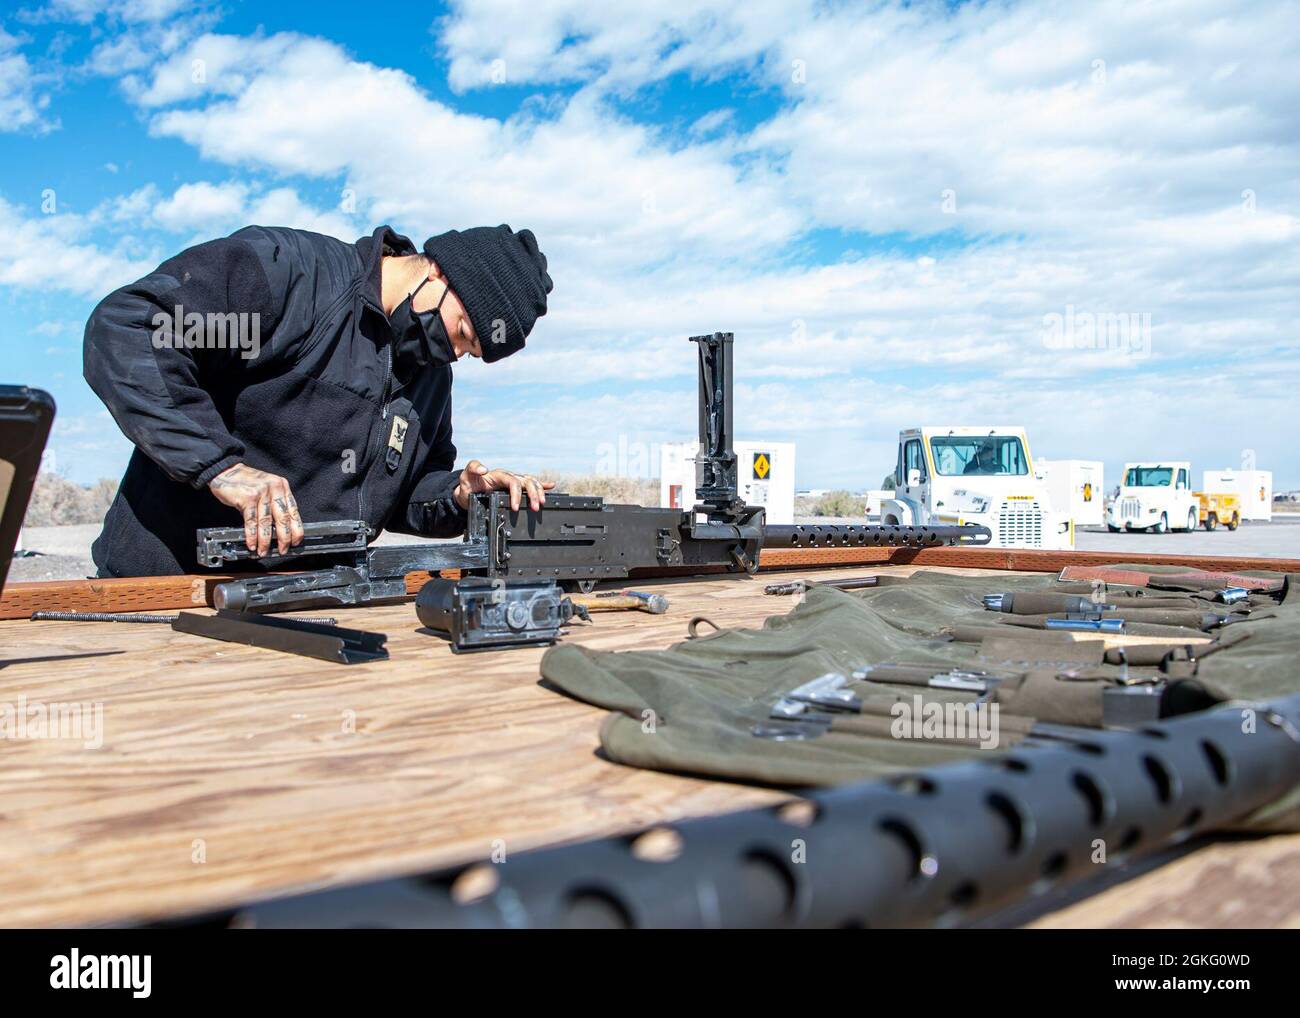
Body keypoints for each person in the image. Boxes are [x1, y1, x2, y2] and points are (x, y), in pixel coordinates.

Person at [83, 223, 553, 576]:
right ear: (438, 273)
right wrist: (218, 466)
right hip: (163, 591)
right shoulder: (292, 275)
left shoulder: (431, 378)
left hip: (308, 613)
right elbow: (132, 327)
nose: (453, 353)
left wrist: (459, 495)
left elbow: (404, 495)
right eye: (463, 333)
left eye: (470, 352)